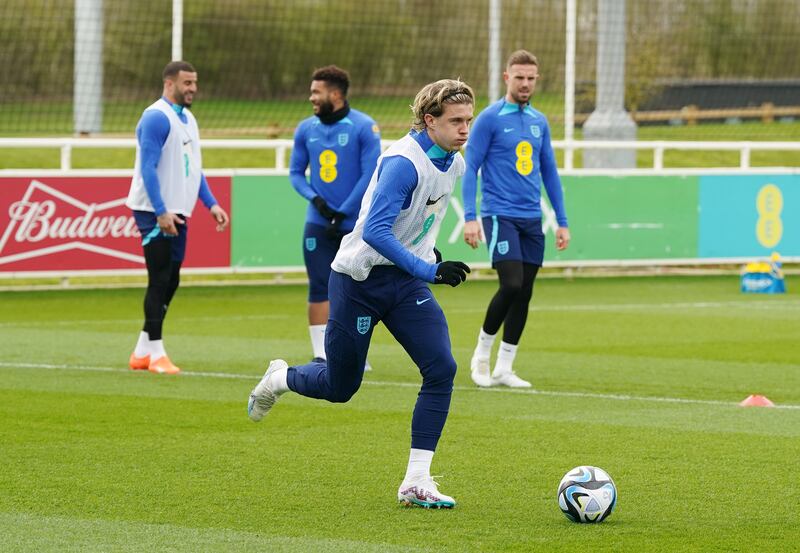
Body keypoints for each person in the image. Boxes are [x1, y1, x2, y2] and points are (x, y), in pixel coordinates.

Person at [248, 79, 475, 509]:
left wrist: (429, 251)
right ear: (430, 121)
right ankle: (279, 378)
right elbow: (374, 231)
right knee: (340, 386)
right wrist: (428, 267)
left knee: (441, 366)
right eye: (456, 121)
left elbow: (419, 219)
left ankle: (416, 480)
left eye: (468, 120)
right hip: (360, 282)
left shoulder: (453, 162)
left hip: (405, 284)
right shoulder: (402, 163)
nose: (465, 129)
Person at [462, 50, 569, 389]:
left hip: (531, 218)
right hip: (499, 214)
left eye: (531, 78)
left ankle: (504, 367)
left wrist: (562, 220)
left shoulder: (539, 121)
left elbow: (549, 171)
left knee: (524, 291)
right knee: (510, 283)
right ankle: (480, 354)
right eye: (519, 77)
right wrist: (470, 216)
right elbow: (471, 168)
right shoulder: (490, 118)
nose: (525, 83)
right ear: (507, 77)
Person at [126, 61, 230, 375]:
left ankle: (142, 350)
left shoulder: (189, 119)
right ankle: (156, 353)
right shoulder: (157, 117)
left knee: (172, 279)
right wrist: (160, 211)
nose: (193, 88)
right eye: (187, 83)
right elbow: (147, 168)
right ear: (170, 84)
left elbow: (193, 168)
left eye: (195, 83)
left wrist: (210, 203)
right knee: (159, 279)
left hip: (178, 211)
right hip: (153, 211)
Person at [289, 65, 382, 367]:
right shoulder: (305, 129)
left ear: (336, 94)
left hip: (355, 225)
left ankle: (355, 351)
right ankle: (321, 353)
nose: (311, 97)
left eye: (316, 92)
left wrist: (342, 212)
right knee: (319, 284)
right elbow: (295, 174)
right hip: (318, 223)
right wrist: (316, 200)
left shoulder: (364, 127)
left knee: (358, 288)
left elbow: (371, 173)